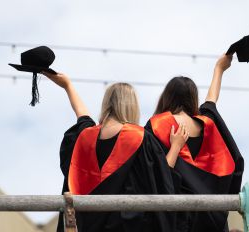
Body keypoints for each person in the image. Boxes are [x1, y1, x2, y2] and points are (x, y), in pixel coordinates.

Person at [42, 72, 189, 232]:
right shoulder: (140, 139)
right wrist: (175, 147)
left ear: (106, 104)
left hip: (83, 225)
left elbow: (82, 117)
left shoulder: (84, 136)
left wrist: (68, 86)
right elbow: (160, 180)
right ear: (132, 106)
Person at [144, 54, 244, 232]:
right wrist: (219, 69)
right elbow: (211, 102)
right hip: (213, 217)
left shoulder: (157, 125)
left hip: (179, 218)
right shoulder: (208, 123)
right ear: (192, 99)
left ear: (167, 97)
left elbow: (154, 176)